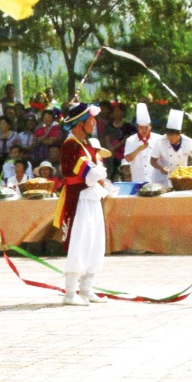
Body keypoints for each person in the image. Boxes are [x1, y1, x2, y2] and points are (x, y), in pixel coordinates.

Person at [54, 102, 113, 306]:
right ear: (81, 123)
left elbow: (97, 171)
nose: (94, 123)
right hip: (79, 200)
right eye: (91, 119)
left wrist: (98, 170)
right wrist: (98, 170)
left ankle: (86, 289)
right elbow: (91, 175)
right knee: (81, 243)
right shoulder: (71, 145)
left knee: (95, 242)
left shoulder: (86, 144)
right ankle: (70, 293)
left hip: (91, 198)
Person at [150, 109, 192, 184]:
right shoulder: (160, 141)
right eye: (168, 135)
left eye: (173, 135)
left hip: (181, 177)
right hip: (162, 178)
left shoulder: (188, 142)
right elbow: (153, 160)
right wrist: (160, 167)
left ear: (179, 133)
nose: (171, 138)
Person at [123, 103, 162, 184]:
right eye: (141, 128)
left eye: (146, 127)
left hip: (155, 179)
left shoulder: (158, 139)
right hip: (138, 179)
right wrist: (139, 149)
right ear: (137, 127)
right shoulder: (130, 140)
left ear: (150, 126)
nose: (144, 130)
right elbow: (128, 159)